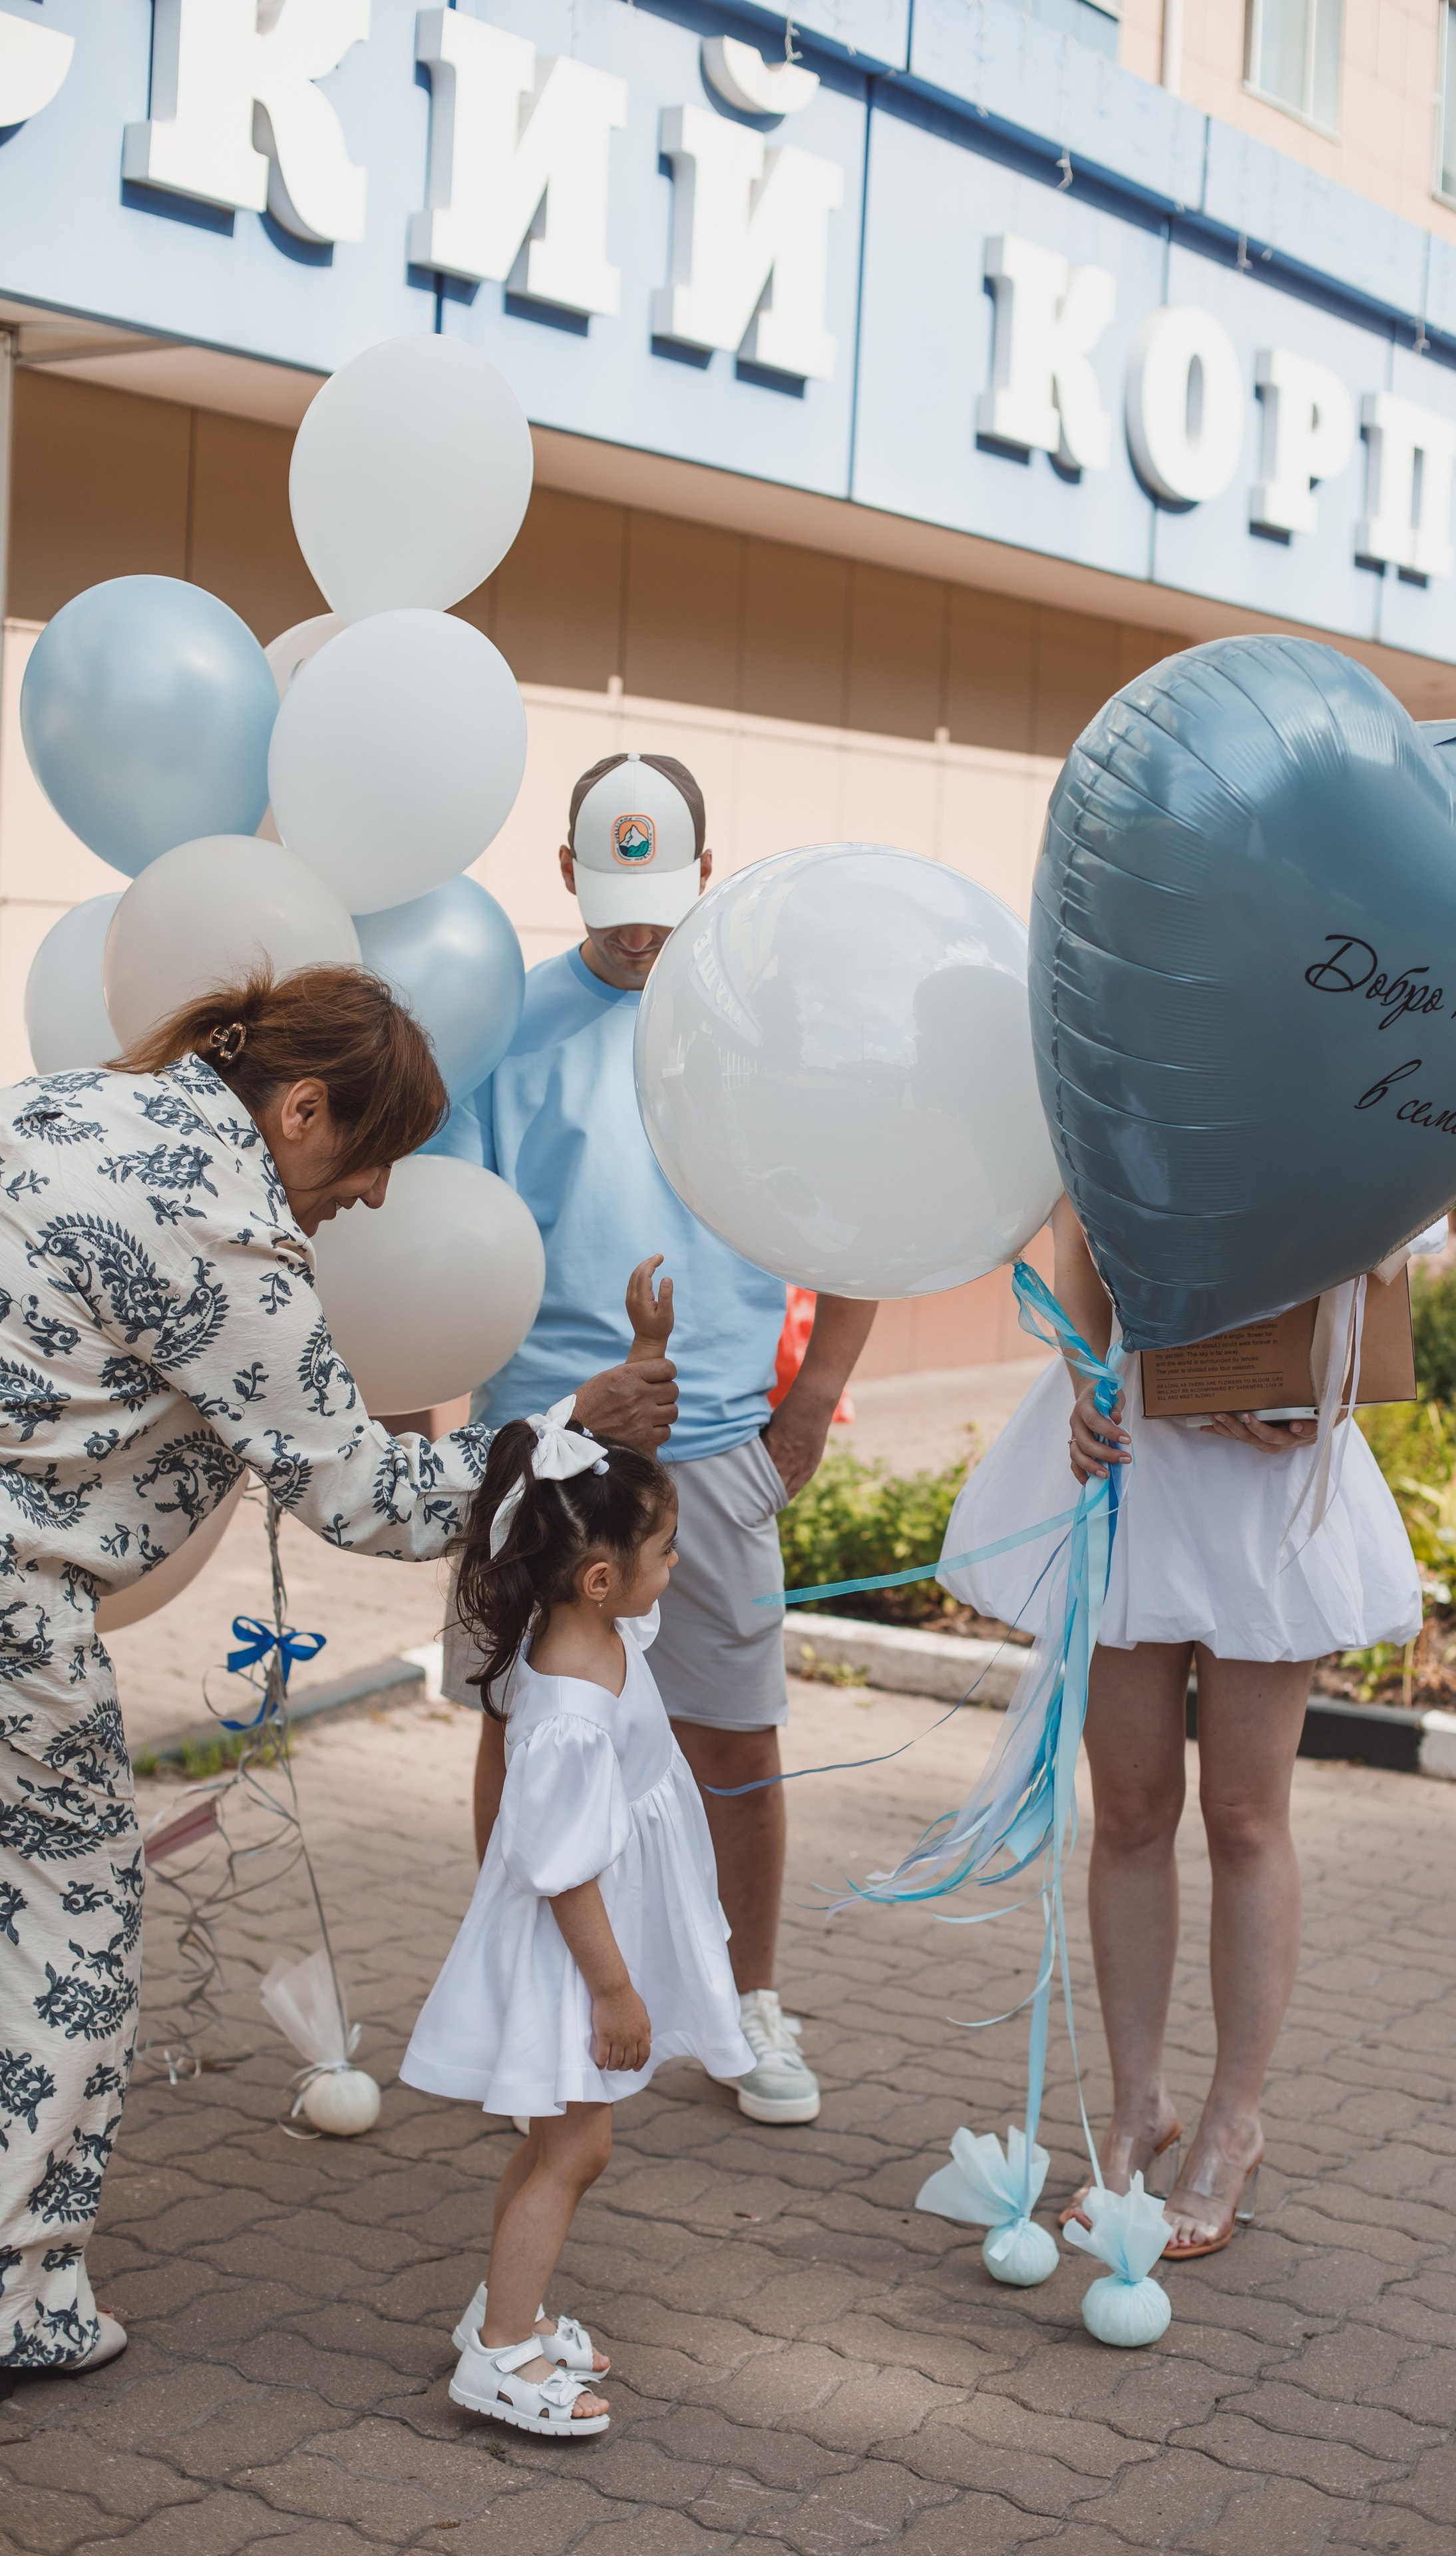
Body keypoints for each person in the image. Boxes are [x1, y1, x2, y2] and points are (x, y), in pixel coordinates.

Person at [0, 966, 675, 2376]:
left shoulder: (69, 1106)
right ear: (300, 1108)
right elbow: (369, 1494)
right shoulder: (222, 1230)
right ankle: (19, 2294)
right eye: (367, 1163)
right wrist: (561, 1428)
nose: (366, 1199)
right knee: (65, 1928)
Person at [432, 751, 874, 2127]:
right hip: (538, 1440)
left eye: (660, 895)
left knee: (731, 1741)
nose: (638, 925)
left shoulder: (756, 1030)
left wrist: (808, 1403)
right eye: (613, 894)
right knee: (522, 1723)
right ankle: (520, 1996)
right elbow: (435, 1244)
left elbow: (860, 1215)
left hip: (720, 1442)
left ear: (702, 871)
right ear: (566, 872)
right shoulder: (499, 1027)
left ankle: (748, 2003)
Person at [938, 1197, 1421, 2259]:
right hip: (1132, 1464)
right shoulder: (1132, 1054)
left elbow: (1383, 1245)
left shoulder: (1335, 1064)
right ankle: (1134, 2108)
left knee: (1247, 1814)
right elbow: (1079, 1234)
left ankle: (1233, 2124)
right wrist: (1080, 1384)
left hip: (1271, 1477)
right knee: (1133, 1810)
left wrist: (1321, 1396)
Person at [400, 1373, 753, 2442]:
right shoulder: (564, 1713)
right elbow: (562, 1869)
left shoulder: (596, 1632)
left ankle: (500, 2315)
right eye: (667, 1552)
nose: (677, 1565)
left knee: (559, 2140)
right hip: (574, 1955)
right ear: (602, 1578)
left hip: (584, 1940)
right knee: (575, 2149)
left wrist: (645, 1358)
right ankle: (502, 2357)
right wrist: (614, 1989)